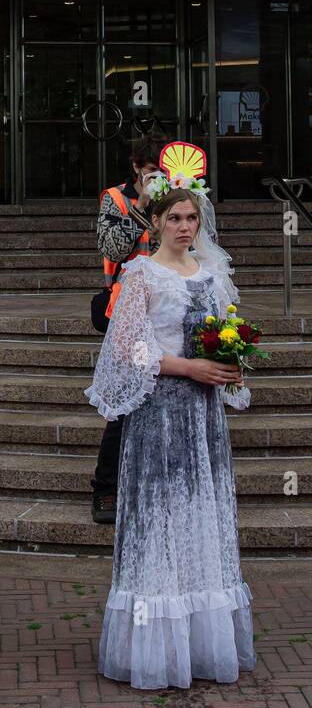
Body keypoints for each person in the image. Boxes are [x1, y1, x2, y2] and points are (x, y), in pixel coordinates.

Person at [84, 171, 256, 690]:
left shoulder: (212, 271)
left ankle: (200, 640)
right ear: (155, 222)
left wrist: (231, 361)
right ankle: (155, 645)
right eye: (174, 218)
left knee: (199, 511)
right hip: (159, 411)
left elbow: (227, 328)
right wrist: (188, 369)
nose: (184, 226)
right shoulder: (140, 274)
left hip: (204, 416)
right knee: (157, 517)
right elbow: (125, 348)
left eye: (191, 218)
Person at [90, 137, 164, 524]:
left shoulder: (178, 199)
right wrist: (142, 207)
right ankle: (105, 487)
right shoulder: (116, 200)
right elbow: (113, 248)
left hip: (167, 309)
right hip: (128, 315)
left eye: (161, 171)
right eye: (150, 170)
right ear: (137, 167)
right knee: (126, 396)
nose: (155, 177)